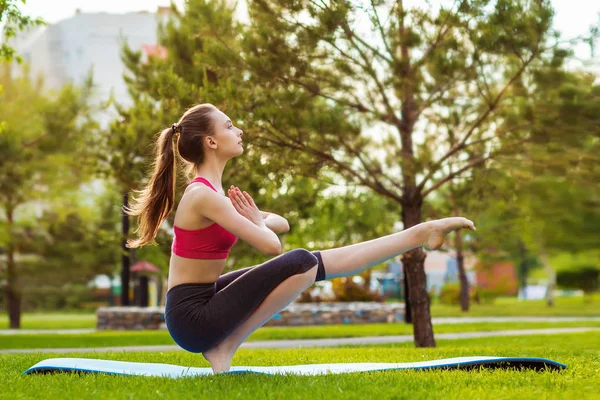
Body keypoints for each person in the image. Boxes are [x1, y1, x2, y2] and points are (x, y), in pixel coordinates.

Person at [124, 103, 476, 374]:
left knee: (318, 262)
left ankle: (419, 233)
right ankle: (224, 346)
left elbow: (282, 223)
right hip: (192, 317)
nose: (240, 130)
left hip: (203, 302)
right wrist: (256, 221)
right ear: (211, 141)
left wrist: (256, 217)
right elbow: (271, 245)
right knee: (303, 262)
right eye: (230, 126)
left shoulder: (215, 195)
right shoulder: (204, 197)